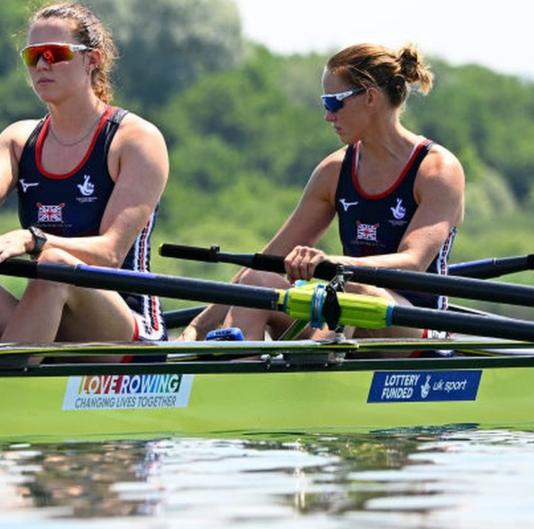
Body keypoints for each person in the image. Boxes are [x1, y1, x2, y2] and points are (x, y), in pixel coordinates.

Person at [0, 3, 168, 356]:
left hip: (123, 330)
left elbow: (109, 253)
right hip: (45, 321)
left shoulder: (134, 140)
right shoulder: (19, 140)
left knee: (55, 264)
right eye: (33, 56)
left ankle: (6, 395)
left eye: (55, 54)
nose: (42, 64)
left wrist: (34, 240)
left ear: (93, 60)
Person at [180, 43, 464, 342]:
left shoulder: (436, 170)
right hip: (344, 310)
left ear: (370, 96)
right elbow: (270, 258)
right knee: (256, 281)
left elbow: (413, 262)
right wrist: (196, 328)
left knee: (350, 291)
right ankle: (241, 375)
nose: (328, 116)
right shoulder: (335, 170)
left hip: (413, 324)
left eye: (333, 103)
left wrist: (331, 264)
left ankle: (312, 361)